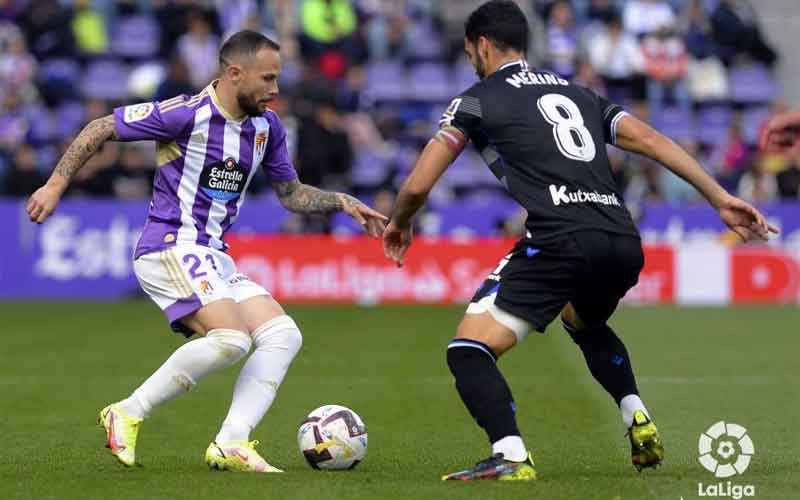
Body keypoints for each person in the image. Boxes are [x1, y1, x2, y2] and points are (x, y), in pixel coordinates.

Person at [382, 0, 777, 481]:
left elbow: (419, 184)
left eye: (470, 54)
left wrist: (400, 222)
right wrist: (718, 196)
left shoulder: (476, 99)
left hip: (560, 238)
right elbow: (652, 140)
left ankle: (509, 455)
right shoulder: (580, 93)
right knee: (583, 323)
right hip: (620, 237)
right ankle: (635, 411)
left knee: (468, 351)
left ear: (481, 46)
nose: (471, 63)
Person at [26, 30, 387, 472]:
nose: (276, 90)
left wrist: (342, 202)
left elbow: (290, 193)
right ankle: (127, 412)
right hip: (169, 245)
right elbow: (101, 127)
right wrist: (56, 184)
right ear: (235, 74)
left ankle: (231, 442)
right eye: (268, 79)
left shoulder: (265, 127)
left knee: (282, 335)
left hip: (213, 254)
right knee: (232, 340)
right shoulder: (185, 114)